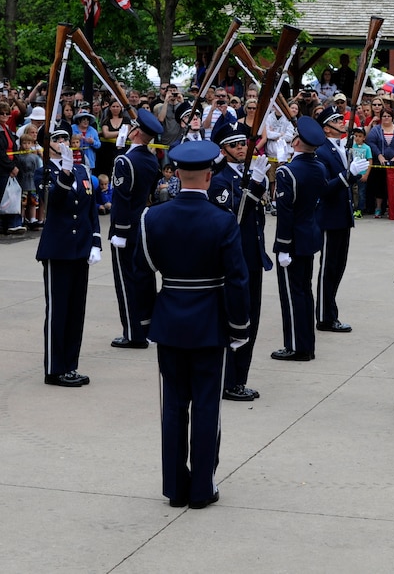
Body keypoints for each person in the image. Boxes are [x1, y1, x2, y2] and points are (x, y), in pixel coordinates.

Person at [134, 139, 250, 509]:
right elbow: (237, 279)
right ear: (209, 176)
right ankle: (202, 488)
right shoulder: (222, 219)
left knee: (172, 407)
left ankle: (175, 488)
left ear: (176, 174)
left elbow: (141, 273)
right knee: (205, 407)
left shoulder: (152, 216)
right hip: (209, 323)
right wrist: (239, 327)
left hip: (169, 319)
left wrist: (148, 318)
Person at [208, 122, 272, 401]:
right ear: (223, 150)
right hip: (232, 261)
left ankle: (239, 379)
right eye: (234, 145)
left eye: (243, 143)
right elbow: (233, 218)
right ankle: (227, 379)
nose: (242, 148)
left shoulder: (247, 173)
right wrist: (256, 185)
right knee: (233, 320)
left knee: (251, 319)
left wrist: (259, 181)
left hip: (253, 257)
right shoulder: (220, 180)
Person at [35, 129, 101, 387]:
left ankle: (70, 366)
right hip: (58, 250)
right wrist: (63, 171)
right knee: (58, 311)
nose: (63, 144)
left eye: (65, 139)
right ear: (47, 145)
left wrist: (95, 241)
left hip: (81, 249)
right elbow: (53, 203)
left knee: (76, 311)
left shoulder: (83, 170)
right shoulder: (44, 172)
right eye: (57, 140)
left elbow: (90, 210)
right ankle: (54, 369)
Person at [271, 117, 328, 362]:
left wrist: (282, 246)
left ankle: (296, 346)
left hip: (292, 242)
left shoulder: (287, 172)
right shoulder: (320, 167)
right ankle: (307, 345)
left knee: (292, 296)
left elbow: (285, 213)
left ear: (295, 141)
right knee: (304, 292)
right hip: (310, 237)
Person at [312, 106, 370, 333]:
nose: (343, 122)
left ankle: (330, 311)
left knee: (338, 267)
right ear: (327, 128)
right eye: (337, 120)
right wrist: (348, 175)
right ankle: (325, 317)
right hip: (328, 218)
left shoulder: (341, 148)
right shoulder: (322, 151)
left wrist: (353, 173)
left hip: (342, 216)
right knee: (328, 268)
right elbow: (324, 188)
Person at [109, 110, 164, 349]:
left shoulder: (125, 161)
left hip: (127, 228)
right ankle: (146, 327)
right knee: (143, 279)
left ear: (135, 131)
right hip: (143, 224)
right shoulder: (150, 159)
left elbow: (121, 198)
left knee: (126, 281)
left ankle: (133, 333)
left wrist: (119, 232)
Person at [0, 101, 26, 234]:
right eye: (1, 113)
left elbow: (14, 150)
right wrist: (11, 167)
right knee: (5, 197)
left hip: (13, 167)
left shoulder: (8, 130)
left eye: (7, 113)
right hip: (2, 169)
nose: (5, 115)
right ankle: (7, 224)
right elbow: (0, 153)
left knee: (13, 196)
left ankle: (14, 223)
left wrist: (15, 166)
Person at [349, 128, 372, 218]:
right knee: (351, 191)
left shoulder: (367, 148)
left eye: (360, 136)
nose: (357, 138)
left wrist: (366, 174)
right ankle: (352, 208)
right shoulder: (352, 147)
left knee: (361, 193)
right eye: (356, 136)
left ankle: (360, 210)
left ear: (364, 138)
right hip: (353, 173)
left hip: (362, 174)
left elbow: (370, 161)